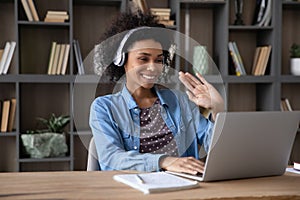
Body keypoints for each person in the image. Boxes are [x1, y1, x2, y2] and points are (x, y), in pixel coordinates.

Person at [89, 11, 224, 175]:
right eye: (143, 59)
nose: (153, 67)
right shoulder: (104, 107)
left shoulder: (180, 101)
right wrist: (164, 161)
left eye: (159, 60)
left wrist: (218, 110)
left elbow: (214, 147)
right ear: (121, 60)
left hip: (182, 188)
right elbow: (111, 159)